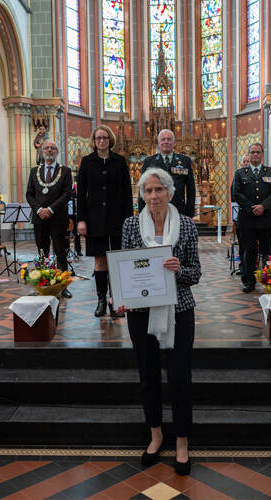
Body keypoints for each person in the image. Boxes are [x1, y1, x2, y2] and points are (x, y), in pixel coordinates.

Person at [115, 167, 201, 476]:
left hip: (179, 310)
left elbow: (195, 273)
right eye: (148, 191)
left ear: (169, 192)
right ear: (142, 195)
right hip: (140, 311)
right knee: (148, 376)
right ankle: (155, 436)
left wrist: (179, 269)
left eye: (159, 190)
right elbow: (124, 267)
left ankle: (181, 441)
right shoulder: (131, 224)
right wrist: (120, 295)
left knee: (179, 378)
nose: (153, 196)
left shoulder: (187, 225)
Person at [77, 125, 133, 317]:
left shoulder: (119, 161)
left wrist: (129, 221)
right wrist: (81, 220)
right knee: (100, 261)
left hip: (117, 219)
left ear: (110, 140)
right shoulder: (87, 162)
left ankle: (115, 300)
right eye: (98, 138)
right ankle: (101, 300)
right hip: (94, 219)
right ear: (94, 141)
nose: (102, 141)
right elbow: (80, 194)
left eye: (105, 137)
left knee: (116, 261)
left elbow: (127, 193)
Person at [25, 139, 74, 298]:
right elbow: (29, 194)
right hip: (39, 218)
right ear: (42, 151)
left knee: (61, 252)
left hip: (58, 218)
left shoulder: (65, 171)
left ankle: (63, 286)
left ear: (57, 151)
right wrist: (40, 210)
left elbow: (67, 194)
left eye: (52, 148)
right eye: (46, 148)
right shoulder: (34, 171)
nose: (49, 150)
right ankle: (42, 285)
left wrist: (50, 210)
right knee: (42, 252)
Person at [231, 143, 271, 292]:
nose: (255, 155)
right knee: (248, 251)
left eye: (258, 152)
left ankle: (269, 279)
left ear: (262, 154)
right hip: (248, 219)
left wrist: (263, 206)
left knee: (267, 252)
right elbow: (236, 193)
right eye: (253, 152)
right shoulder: (240, 173)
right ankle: (248, 281)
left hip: (267, 217)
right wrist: (251, 207)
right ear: (249, 154)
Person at [138, 129, 196, 217]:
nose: (166, 142)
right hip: (154, 210)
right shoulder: (149, 161)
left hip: (178, 210)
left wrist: (189, 214)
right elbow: (142, 188)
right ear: (158, 143)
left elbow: (191, 189)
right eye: (163, 139)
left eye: (169, 139)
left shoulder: (185, 161)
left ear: (174, 142)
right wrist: (142, 213)